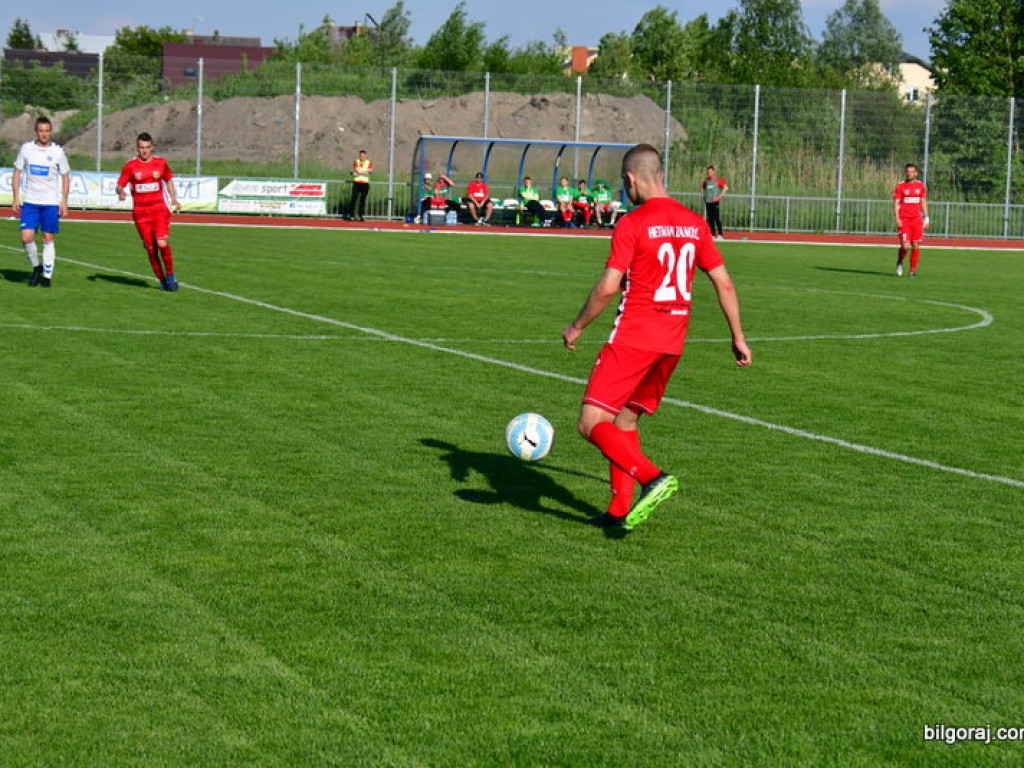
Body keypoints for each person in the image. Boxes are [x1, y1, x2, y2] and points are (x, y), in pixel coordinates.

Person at [562, 144, 752, 532]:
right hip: (671, 343)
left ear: (631, 179)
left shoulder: (632, 223)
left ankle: (652, 477)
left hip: (634, 337)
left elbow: (607, 288)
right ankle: (618, 513)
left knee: (590, 422)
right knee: (624, 419)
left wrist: (577, 326)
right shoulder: (694, 222)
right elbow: (723, 281)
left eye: (623, 184)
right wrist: (738, 337)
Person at [116, 132, 182, 291]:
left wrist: (173, 198)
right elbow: (120, 185)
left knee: (162, 243)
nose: (144, 151)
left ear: (152, 147)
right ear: (137, 148)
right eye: (141, 148)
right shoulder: (130, 166)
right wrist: (121, 192)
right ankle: (162, 281)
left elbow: (168, 180)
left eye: (147, 147)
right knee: (151, 249)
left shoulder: (161, 163)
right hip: (140, 214)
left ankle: (171, 276)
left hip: (159, 210)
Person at [11, 116, 70, 287]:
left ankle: (47, 276)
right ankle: (37, 267)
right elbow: (17, 171)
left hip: (50, 203)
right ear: (36, 131)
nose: (44, 134)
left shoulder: (58, 152)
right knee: (26, 237)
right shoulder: (27, 149)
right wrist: (16, 196)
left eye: (47, 131)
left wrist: (64, 201)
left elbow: (65, 176)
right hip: (31, 202)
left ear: (50, 131)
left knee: (47, 237)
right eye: (41, 131)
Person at [893, 162, 929, 277]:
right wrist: (897, 218)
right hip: (904, 220)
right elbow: (896, 203)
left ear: (916, 173)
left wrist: (926, 218)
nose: (909, 174)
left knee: (916, 245)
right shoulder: (901, 186)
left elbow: (923, 202)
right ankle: (899, 262)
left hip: (916, 220)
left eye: (912, 172)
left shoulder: (920, 186)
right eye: (907, 172)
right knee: (905, 246)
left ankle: (912, 271)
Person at [701, 166, 728, 240]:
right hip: (708, 202)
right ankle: (712, 234)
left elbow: (725, 187)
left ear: (714, 172)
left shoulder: (717, 180)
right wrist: (703, 196)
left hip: (715, 202)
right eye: (708, 172)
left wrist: (719, 197)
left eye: (710, 171)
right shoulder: (706, 181)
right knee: (710, 219)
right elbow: (703, 188)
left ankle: (720, 235)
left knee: (717, 218)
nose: (709, 173)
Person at [348, 149, 373, 221]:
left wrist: (358, 172)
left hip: (365, 183)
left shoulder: (369, 163)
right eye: (361, 155)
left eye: (363, 155)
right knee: (354, 199)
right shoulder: (356, 161)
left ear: (366, 155)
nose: (362, 157)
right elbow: (358, 170)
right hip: (357, 183)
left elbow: (368, 174)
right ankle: (351, 215)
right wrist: (364, 171)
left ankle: (360, 215)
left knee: (363, 200)